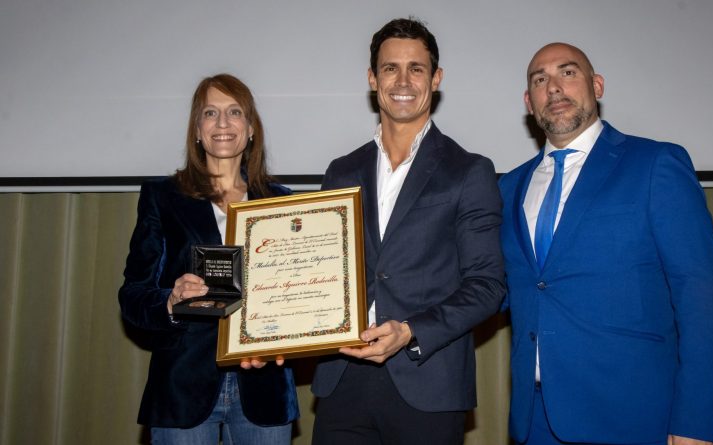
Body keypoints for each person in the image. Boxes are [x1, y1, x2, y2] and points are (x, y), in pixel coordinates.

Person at [499, 42, 713, 445]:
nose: (553, 87)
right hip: (533, 421)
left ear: (597, 86)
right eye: (539, 80)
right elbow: (496, 287)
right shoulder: (508, 186)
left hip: (632, 418)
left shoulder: (655, 164)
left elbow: (700, 294)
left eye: (568, 72)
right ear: (528, 102)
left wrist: (693, 421)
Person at [309, 18, 506, 445]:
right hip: (342, 381)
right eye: (390, 68)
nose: (402, 81)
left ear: (435, 79)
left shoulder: (468, 171)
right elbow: (318, 275)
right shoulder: (341, 172)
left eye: (416, 68)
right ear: (372, 78)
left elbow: (488, 285)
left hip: (428, 379)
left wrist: (410, 330)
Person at [118, 74, 298, 444]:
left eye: (235, 112)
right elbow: (133, 295)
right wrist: (170, 300)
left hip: (264, 386)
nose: (222, 123)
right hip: (182, 386)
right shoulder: (162, 197)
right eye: (210, 113)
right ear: (197, 131)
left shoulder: (282, 201)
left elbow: (296, 293)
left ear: (251, 129)